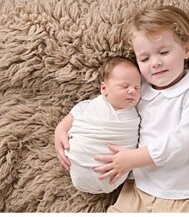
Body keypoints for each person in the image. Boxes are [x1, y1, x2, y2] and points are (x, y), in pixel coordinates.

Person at [54, 6, 189, 212]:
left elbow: (184, 141)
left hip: (187, 193)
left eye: (164, 52)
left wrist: (133, 159)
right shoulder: (138, 89)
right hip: (139, 190)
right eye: (144, 58)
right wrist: (62, 127)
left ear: (186, 49)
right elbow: (100, 103)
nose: (156, 63)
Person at [53, 56, 141, 194]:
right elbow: (63, 127)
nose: (132, 91)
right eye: (125, 86)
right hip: (80, 160)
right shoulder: (89, 107)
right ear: (104, 88)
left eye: (137, 87)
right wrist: (59, 130)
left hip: (114, 175)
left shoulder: (136, 114)